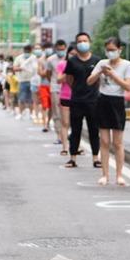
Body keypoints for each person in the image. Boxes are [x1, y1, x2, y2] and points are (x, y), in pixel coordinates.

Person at [87, 37, 130, 186]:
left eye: (113, 50)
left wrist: (112, 75)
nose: (111, 53)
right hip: (103, 101)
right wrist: (100, 71)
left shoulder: (127, 65)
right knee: (105, 141)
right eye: (108, 50)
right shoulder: (102, 63)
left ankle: (119, 175)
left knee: (118, 142)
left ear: (120, 50)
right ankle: (105, 175)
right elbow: (89, 81)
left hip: (117, 102)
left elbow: (128, 87)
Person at [64, 32, 101, 168]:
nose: (82, 43)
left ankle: (96, 158)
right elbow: (68, 79)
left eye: (85, 40)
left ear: (90, 42)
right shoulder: (72, 60)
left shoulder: (96, 60)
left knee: (93, 130)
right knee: (75, 130)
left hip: (93, 100)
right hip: (76, 100)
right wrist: (76, 89)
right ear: (76, 44)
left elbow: (98, 80)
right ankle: (73, 157)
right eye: (80, 41)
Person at [45, 39, 68, 146]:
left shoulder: (69, 59)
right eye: (59, 50)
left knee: (68, 114)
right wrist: (53, 83)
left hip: (68, 89)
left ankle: (67, 134)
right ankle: (59, 135)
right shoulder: (51, 60)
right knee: (57, 112)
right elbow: (48, 73)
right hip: (55, 88)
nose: (61, 51)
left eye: (63, 49)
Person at [54, 46, 74, 156]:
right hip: (65, 96)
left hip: (78, 97)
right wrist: (69, 72)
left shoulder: (82, 64)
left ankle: (76, 146)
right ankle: (65, 146)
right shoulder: (62, 64)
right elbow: (58, 79)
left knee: (76, 124)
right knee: (65, 122)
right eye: (71, 54)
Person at [13, 45, 37, 120]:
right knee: (21, 98)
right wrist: (21, 68)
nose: (27, 53)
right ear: (23, 51)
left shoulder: (33, 58)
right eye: (26, 51)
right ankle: (20, 113)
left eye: (28, 51)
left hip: (32, 80)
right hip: (22, 80)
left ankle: (31, 113)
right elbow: (14, 68)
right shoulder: (19, 58)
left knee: (31, 98)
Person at [37, 42, 53, 132]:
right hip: (43, 85)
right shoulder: (41, 60)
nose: (48, 50)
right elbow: (41, 73)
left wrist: (46, 71)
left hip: (52, 86)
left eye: (49, 47)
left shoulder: (54, 59)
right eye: (46, 48)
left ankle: (48, 122)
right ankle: (44, 124)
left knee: (51, 106)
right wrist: (49, 71)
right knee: (44, 105)